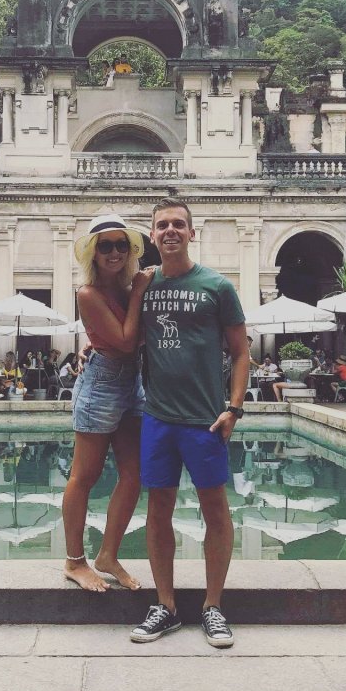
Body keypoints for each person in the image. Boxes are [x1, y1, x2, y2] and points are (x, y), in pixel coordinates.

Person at [131, 198, 248, 648]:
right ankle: (166, 606)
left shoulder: (217, 286)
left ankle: (213, 606)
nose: (170, 231)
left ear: (191, 233)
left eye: (178, 224)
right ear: (153, 235)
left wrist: (233, 408)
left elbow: (241, 351)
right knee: (157, 510)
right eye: (162, 225)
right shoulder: (144, 285)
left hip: (204, 420)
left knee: (215, 509)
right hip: (158, 417)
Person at [62, 213, 155, 592]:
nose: (114, 252)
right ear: (93, 253)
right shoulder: (89, 293)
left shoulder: (130, 286)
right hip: (101, 383)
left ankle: (108, 556)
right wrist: (138, 294)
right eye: (105, 246)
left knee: (134, 474)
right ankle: (74, 561)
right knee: (85, 475)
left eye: (121, 245)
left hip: (132, 381)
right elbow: (126, 340)